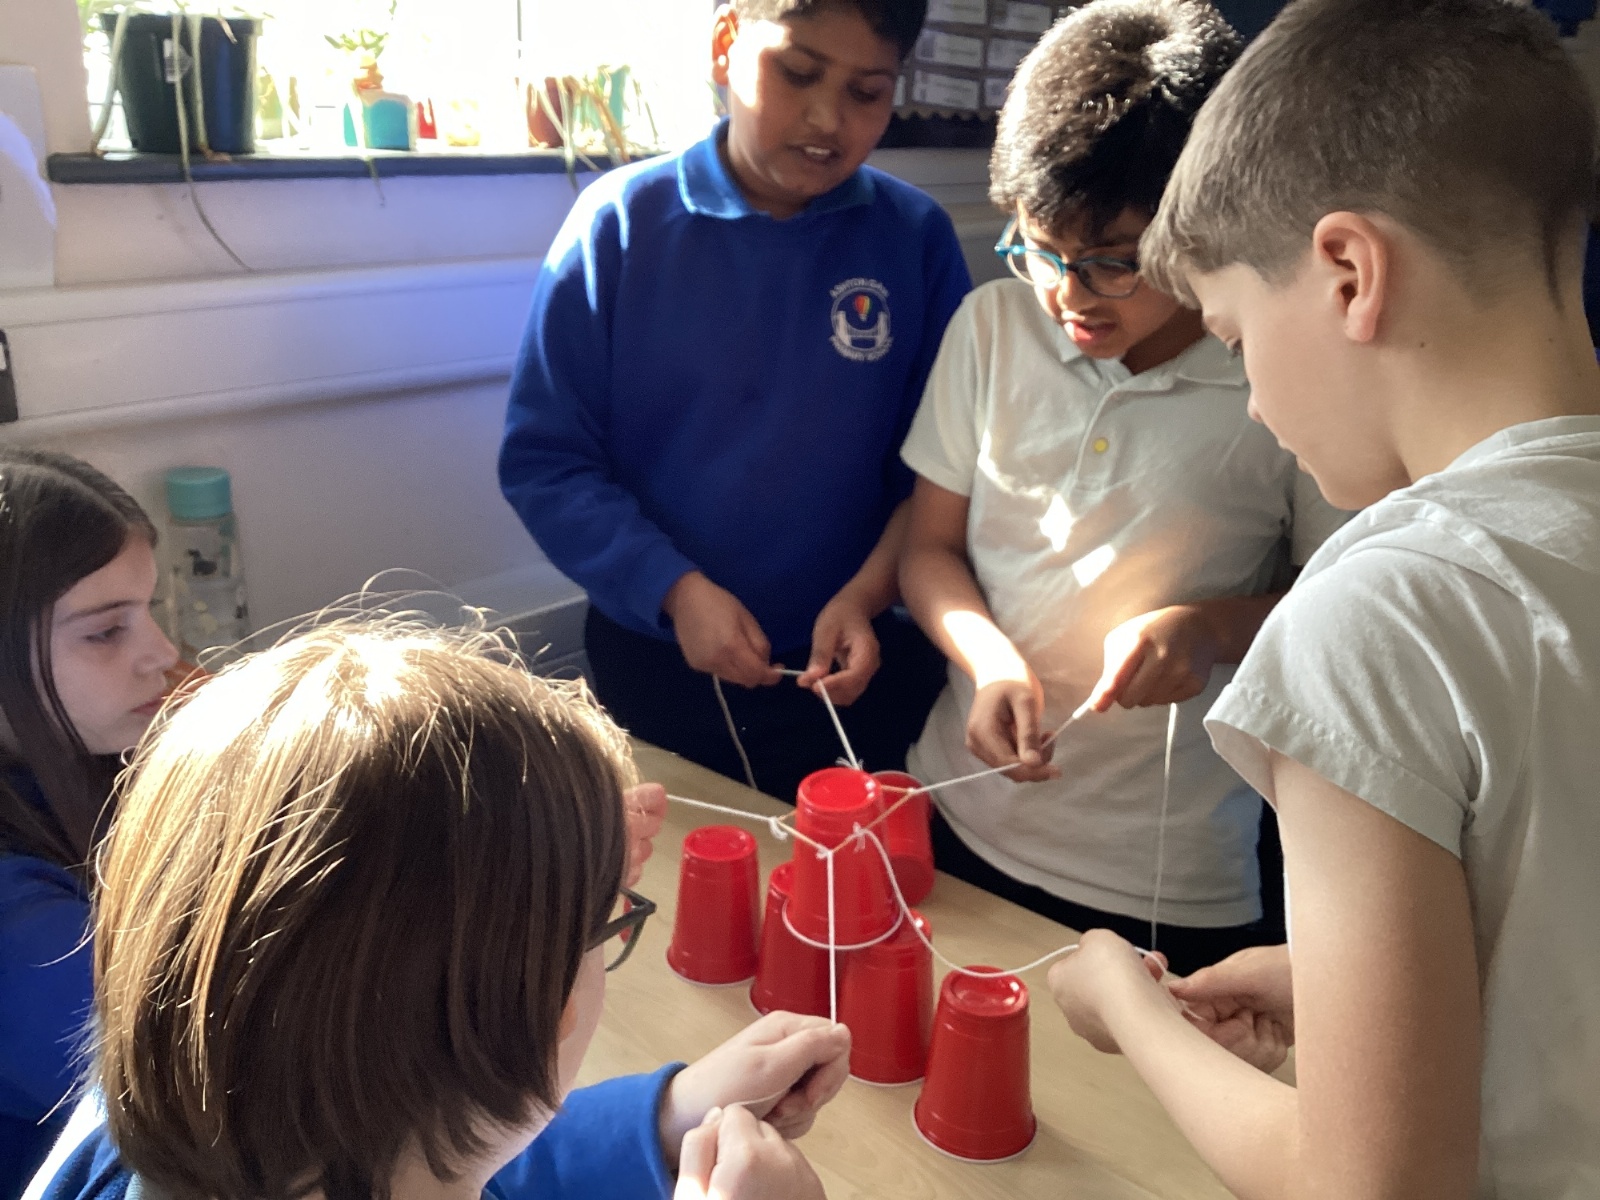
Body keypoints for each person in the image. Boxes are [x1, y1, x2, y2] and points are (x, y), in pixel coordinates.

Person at [1046, 0, 1600, 1194]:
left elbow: (1366, 1183)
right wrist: (1340, 992)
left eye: (1237, 339)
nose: (1251, 400)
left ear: (1349, 274)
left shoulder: (1376, 616)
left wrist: (1125, 1007)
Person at [29, 622, 848, 1200]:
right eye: (611, 924)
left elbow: (441, 1160)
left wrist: (664, 1116)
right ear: (550, 1005)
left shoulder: (155, 1126)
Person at [896, 0, 1345, 975]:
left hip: (1164, 880)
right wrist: (990, 664)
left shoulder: (1277, 378)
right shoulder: (992, 329)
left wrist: (1210, 629)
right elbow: (928, 550)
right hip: (953, 808)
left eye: (1113, 264)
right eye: (1040, 249)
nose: (1068, 294)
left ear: (1201, 225)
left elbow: (1339, 605)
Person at [499, 0, 969, 804]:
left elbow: (938, 475)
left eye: (866, 92)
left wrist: (867, 596)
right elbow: (548, 463)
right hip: (660, 659)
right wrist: (674, 589)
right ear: (725, 46)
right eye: (797, 73)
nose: (826, 119)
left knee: (857, 872)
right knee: (677, 861)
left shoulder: (914, 236)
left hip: (857, 663)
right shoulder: (620, 223)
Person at [0, 448, 182, 1196]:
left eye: (151, 611)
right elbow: (212, 1093)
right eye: (107, 632)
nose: (162, 653)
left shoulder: (78, 764)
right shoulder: (18, 931)